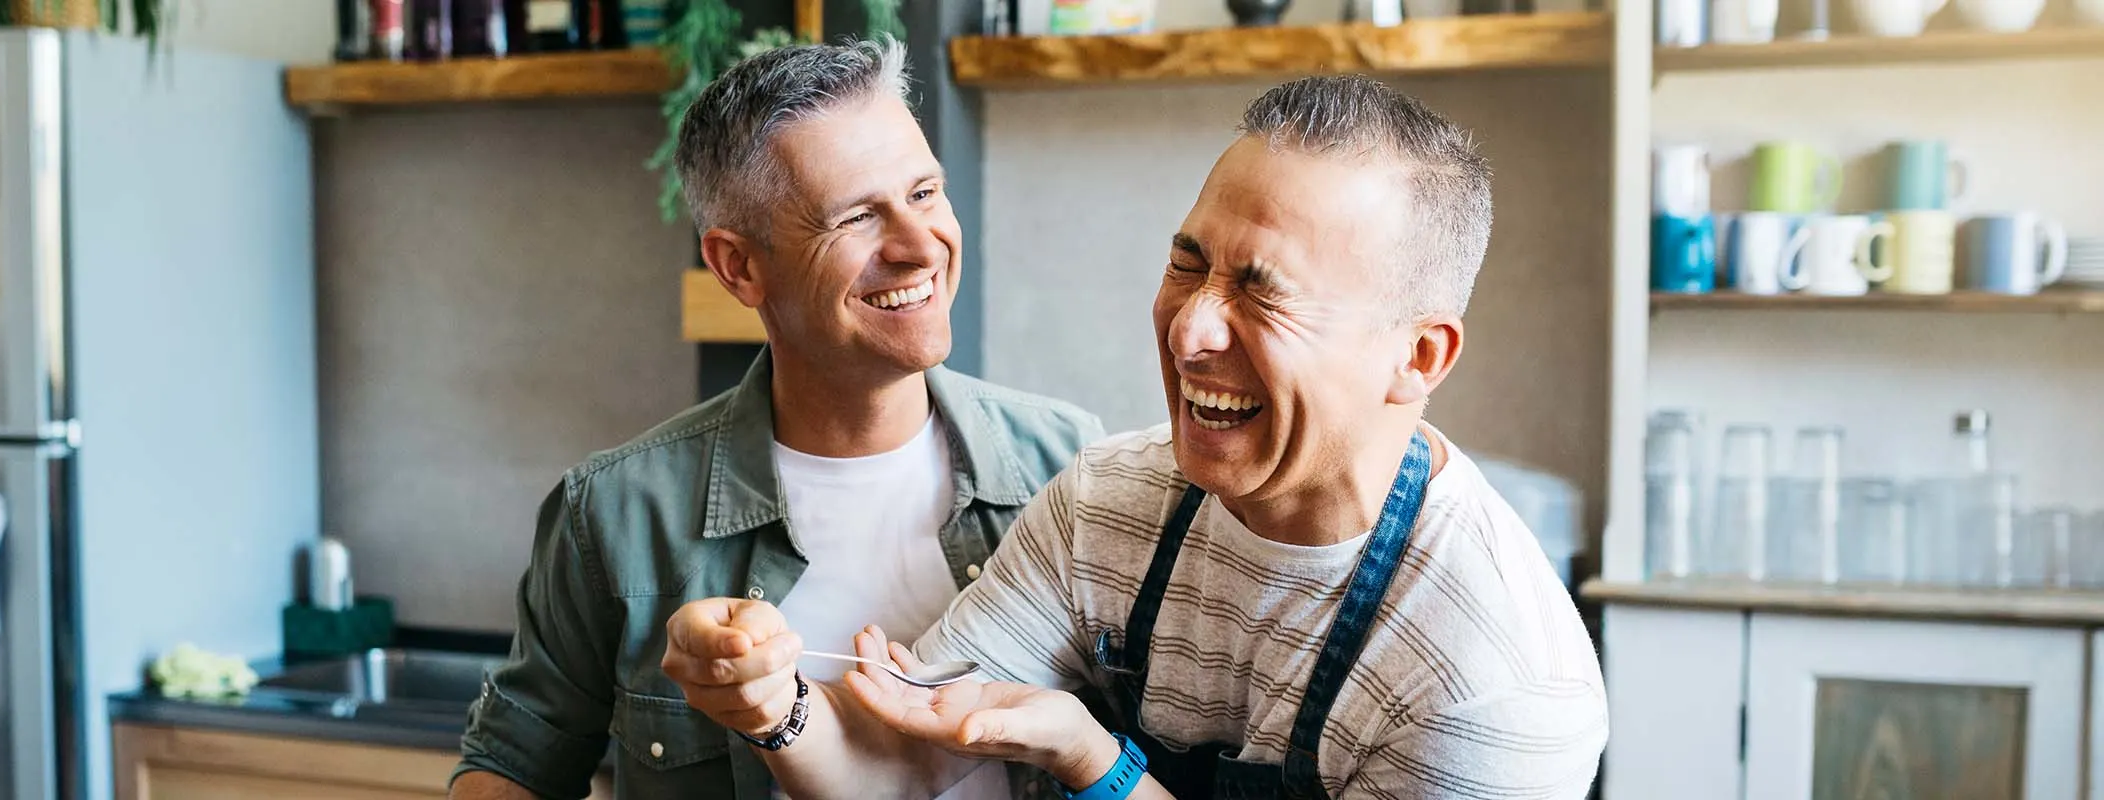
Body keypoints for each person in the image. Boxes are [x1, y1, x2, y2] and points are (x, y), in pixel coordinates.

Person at [661, 74, 1610, 799]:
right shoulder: (1108, 503)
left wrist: (1097, 763)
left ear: (1419, 356)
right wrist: (772, 707)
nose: (1190, 330)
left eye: (1262, 292)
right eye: (1187, 265)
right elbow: (892, 763)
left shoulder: (1494, 682)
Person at [447, 38, 1105, 800]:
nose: (922, 246)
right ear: (739, 267)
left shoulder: (1075, 468)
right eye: (857, 217)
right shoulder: (616, 514)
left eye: (925, 194)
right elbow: (512, 769)